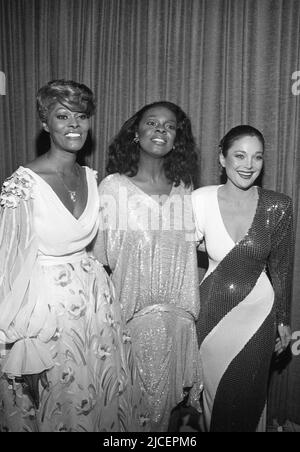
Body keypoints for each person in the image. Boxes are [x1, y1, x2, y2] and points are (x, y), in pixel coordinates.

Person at [0, 80, 149, 432]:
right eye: (62, 115)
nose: (73, 125)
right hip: (47, 317)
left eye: (81, 116)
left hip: (97, 311)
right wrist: (17, 340)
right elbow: (7, 268)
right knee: (62, 407)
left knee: (102, 401)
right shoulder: (21, 185)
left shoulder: (90, 176)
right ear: (45, 123)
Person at [93, 101, 203, 432]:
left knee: (167, 422)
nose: (160, 130)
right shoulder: (112, 188)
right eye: (152, 123)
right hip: (130, 329)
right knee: (132, 423)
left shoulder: (185, 190)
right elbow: (98, 263)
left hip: (179, 327)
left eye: (170, 126)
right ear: (136, 134)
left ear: (177, 138)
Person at [191, 125, 294, 432]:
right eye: (239, 155)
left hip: (258, 317)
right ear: (222, 159)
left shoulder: (278, 205)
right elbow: (180, 256)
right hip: (210, 314)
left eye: (257, 157)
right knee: (213, 402)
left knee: (249, 401)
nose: (249, 165)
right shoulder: (200, 199)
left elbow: (282, 266)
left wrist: (284, 319)